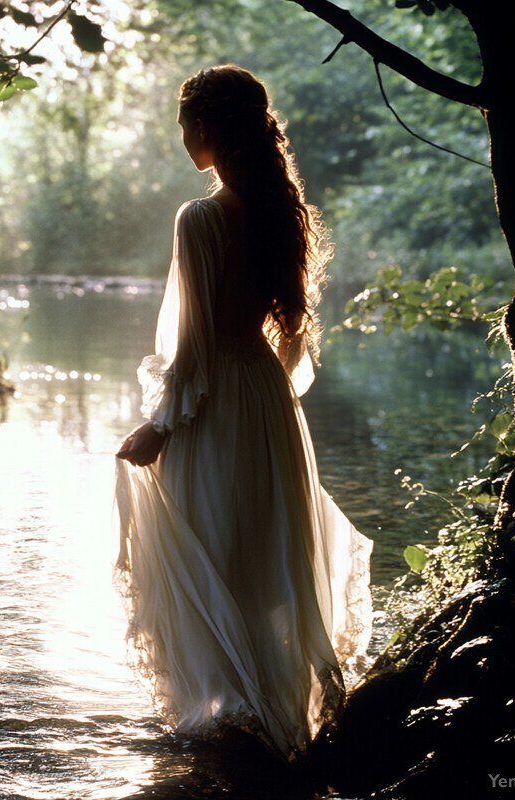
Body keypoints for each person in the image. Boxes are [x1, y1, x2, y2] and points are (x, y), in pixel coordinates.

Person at [114, 65, 373, 761]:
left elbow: (192, 343)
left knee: (211, 549)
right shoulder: (279, 208)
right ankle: (270, 715)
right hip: (265, 395)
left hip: (218, 399)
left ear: (203, 129)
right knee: (262, 551)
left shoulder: (201, 216)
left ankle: (225, 719)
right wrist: (268, 390)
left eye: (182, 126)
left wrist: (159, 425)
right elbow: (292, 333)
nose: (181, 138)